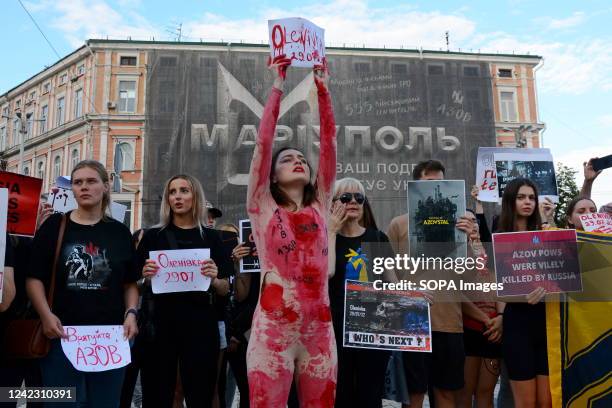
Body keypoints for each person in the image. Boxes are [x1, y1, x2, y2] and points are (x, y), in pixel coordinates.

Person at [245, 56, 337, 407]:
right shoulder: (262, 205)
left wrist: (323, 91)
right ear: (271, 175)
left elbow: (328, 144)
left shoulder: (321, 204)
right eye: (287, 159)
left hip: (319, 331)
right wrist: (277, 85)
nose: (297, 160)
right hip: (273, 332)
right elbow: (263, 145)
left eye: (301, 157)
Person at [26, 160, 139, 407]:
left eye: (91, 181)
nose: (84, 187)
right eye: (78, 183)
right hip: (61, 337)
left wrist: (131, 313)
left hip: (110, 339)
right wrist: (46, 316)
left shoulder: (120, 232)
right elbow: (34, 278)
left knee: (105, 403)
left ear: (106, 187)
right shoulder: (54, 227)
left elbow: (130, 283)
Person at [386, 159, 476, 408]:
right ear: (416, 186)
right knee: (413, 395)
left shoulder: (460, 225)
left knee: (446, 393)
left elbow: (471, 276)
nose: (436, 187)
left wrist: (471, 239)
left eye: (441, 183)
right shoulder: (398, 224)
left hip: (448, 321)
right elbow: (387, 270)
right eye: (429, 183)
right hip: (411, 320)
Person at [137, 174, 232, 407]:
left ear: (195, 196)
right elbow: (136, 283)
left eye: (184, 190)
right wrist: (145, 277)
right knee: (159, 393)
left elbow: (225, 288)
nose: (177, 196)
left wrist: (214, 279)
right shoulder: (152, 237)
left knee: (201, 392)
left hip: (201, 324)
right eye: (172, 192)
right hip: (160, 325)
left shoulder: (211, 237)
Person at [327, 177, 396, 407]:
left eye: (359, 197)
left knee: (370, 393)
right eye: (345, 198)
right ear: (333, 203)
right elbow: (327, 272)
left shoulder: (377, 238)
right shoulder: (325, 239)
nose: (353, 202)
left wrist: (415, 295)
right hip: (334, 327)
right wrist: (331, 231)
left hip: (371, 328)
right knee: (340, 392)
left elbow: (391, 282)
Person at [496, 178, 552, 408]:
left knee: (547, 401)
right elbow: (497, 287)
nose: (527, 202)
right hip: (517, 324)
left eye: (531, 197)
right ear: (511, 201)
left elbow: (562, 275)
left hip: (547, 322)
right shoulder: (499, 237)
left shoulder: (547, 232)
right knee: (526, 402)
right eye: (521, 197)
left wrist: (549, 222)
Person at [458, 210, 504, 408]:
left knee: (485, 391)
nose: (472, 224)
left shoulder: (490, 252)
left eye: (474, 220)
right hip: (468, 329)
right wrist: (485, 320)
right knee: (465, 391)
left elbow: (500, 289)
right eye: (466, 220)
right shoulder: (455, 254)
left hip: (494, 331)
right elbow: (456, 295)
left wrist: (501, 318)